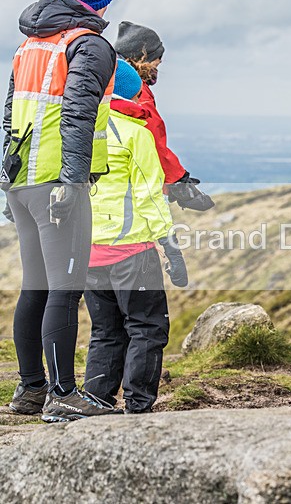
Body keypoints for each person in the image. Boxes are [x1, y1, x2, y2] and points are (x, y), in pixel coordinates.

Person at [2, 0, 119, 422]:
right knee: (64, 291)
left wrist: (7, 180)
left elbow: (11, 115)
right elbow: (77, 115)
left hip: (23, 184)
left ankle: (31, 389)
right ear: (94, 0)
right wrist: (72, 183)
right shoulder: (88, 45)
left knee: (35, 286)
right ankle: (63, 394)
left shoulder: (30, 44)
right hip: (58, 186)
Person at [82, 60, 188, 415]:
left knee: (105, 330)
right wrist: (171, 248)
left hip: (88, 253)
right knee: (147, 327)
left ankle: (96, 399)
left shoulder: (79, 131)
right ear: (132, 93)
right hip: (133, 253)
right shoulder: (135, 134)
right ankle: (138, 404)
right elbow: (149, 198)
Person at [113, 21, 215, 212]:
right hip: (132, 180)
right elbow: (152, 137)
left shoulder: (107, 81)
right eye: (156, 61)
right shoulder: (137, 92)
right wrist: (178, 180)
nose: (157, 67)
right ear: (141, 58)